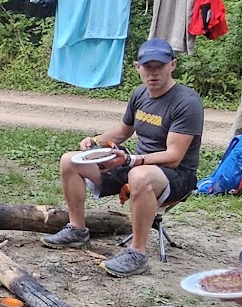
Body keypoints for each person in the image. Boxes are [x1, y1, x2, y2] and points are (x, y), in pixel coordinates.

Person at [44, 38, 203, 276]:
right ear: (137, 68)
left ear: (173, 65)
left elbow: (174, 156)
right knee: (70, 160)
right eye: (148, 67)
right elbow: (123, 131)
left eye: (159, 66)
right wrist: (95, 141)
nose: (153, 73)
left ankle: (137, 253)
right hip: (137, 164)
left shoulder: (186, 102)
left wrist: (131, 161)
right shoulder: (139, 95)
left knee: (139, 176)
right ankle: (77, 230)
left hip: (176, 175)